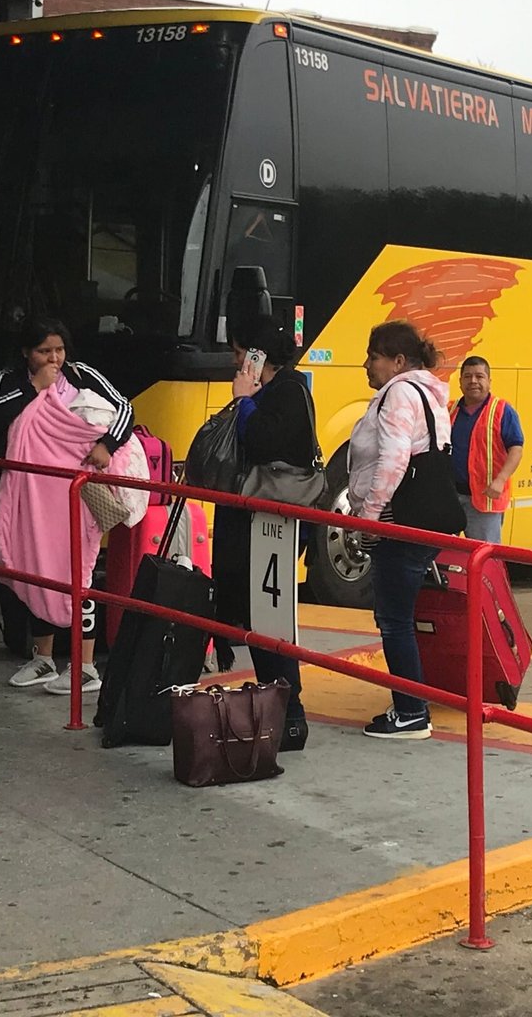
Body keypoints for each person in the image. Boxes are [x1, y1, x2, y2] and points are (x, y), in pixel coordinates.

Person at [0, 316, 132, 693]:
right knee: (37, 567)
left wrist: (106, 446)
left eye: (59, 350)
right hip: (28, 493)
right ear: (25, 353)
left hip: (75, 493)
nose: (54, 358)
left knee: (78, 571)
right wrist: (36, 388)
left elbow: (124, 411)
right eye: (43, 351)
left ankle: (85, 667)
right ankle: (43, 659)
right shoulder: (9, 380)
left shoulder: (82, 375)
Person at [346, 320, 451, 740]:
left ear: (398, 361)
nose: (366, 365)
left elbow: (394, 461)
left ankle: (411, 712)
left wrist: (368, 515)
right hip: (421, 522)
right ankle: (410, 702)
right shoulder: (428, 393)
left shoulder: (399, 395)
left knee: (393, 619)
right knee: (400, 617)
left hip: (399, 526)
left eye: (373, 356)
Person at [212, 314, 313, 751]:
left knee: (271, 616)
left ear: (258, 355)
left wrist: (244, 400)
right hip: (256, 518)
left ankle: (290, 710)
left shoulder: (287, 391)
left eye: (240, 352)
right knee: (257, 615)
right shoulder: (274, 389)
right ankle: (274, 699)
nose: (235, 361)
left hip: (277, 521)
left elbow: (264, 441)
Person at [448, 356, 524, 543]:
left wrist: (501, 480)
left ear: (489, 382)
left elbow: (516, 448)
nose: (473, 381)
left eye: (479, 376)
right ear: (460, 382)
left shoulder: (502, 410)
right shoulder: (450, 409)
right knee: (444, 557)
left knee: (485, 559)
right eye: (467, 377)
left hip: (484, 500)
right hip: (451, 497)